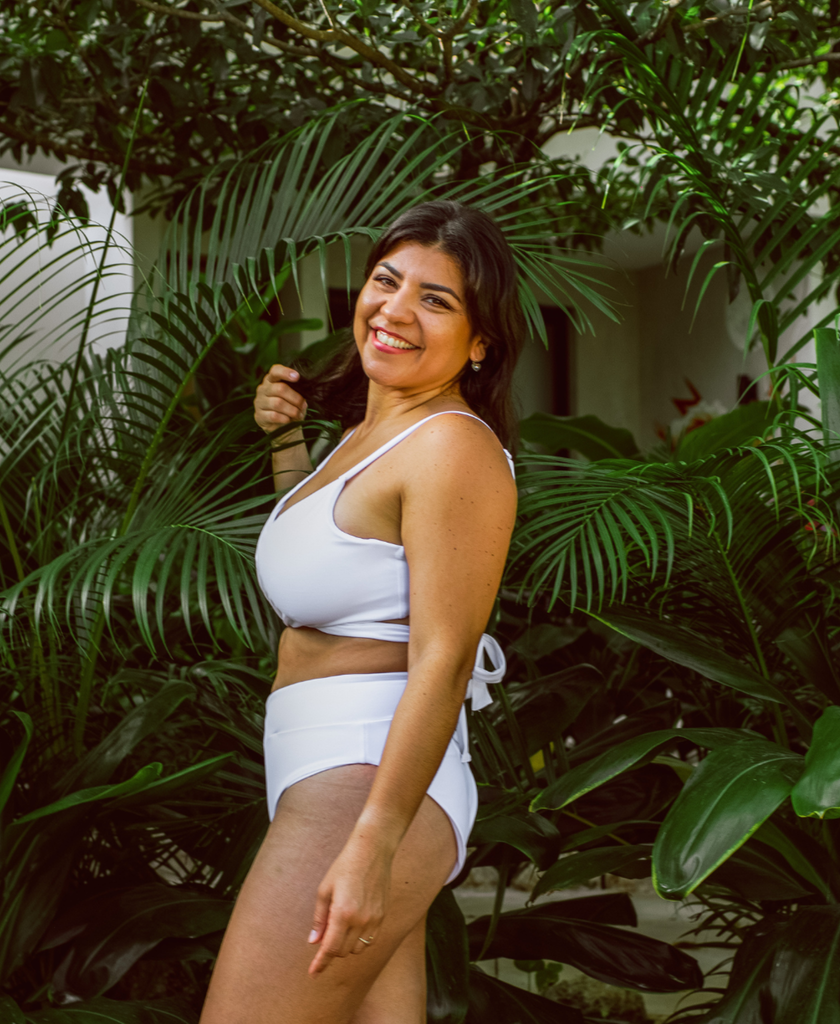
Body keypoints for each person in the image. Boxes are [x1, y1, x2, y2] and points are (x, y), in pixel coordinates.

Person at [201, 200, 524, 1023]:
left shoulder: (453, 445)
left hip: (368, 773)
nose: (396, 309)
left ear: (481, 341)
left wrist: (375, 841)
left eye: (437, 300)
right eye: (387, 280)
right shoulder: (366, 437)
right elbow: (340, 569)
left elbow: (445, 658)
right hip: (324, 764)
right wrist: (288, 446)